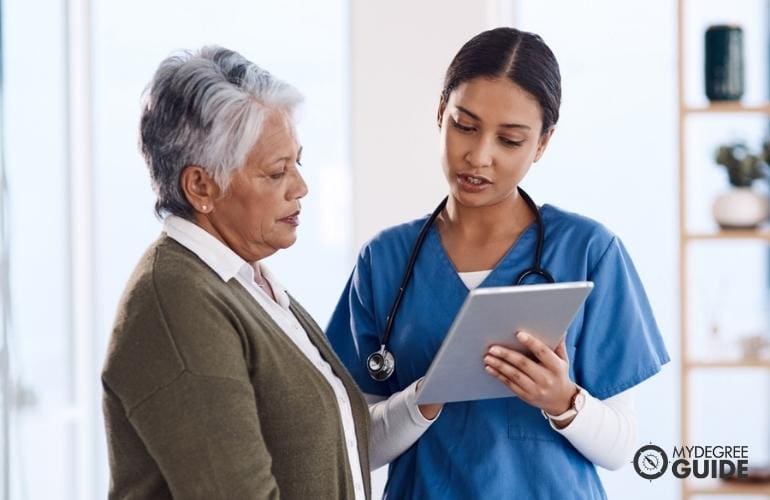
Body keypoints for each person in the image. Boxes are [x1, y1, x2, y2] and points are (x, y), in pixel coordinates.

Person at [327, 27, 670, 499]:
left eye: (509, 140)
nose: (478, 156)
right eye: (464, 126)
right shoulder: (384, 260)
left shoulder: (589, 252)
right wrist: (423, 400)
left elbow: (622, 447)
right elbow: (355, 446)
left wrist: (562, 400)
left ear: (542, 144)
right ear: (439, 112)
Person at [101, 46, 374, 499]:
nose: (301, 187)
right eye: (276, 172)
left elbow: (331, 442)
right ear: (201, 186)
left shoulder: (246, 284)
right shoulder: (177, 302)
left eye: (297, 163)